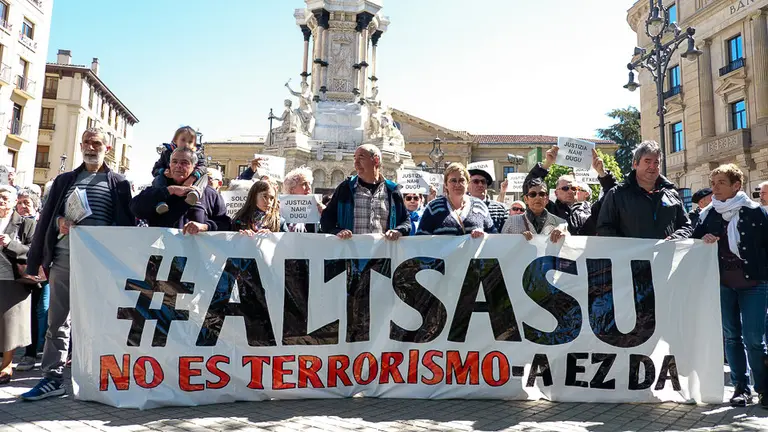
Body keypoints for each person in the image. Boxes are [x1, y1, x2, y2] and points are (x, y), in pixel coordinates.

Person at [22, 127, 135, 401]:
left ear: (106, 148)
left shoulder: (119, 184)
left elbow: (127, 224)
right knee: (57, 320)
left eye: (96, 143)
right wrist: (59, 226)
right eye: (86, 142)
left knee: (102, 321)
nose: (90, 146)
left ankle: (99, 376)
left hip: (101, 264)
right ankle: (52, 377)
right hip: (64, 256)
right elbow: (48, 219)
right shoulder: (64, 181)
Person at [692, 164, 768, 408]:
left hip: (755, 283)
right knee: (732, 337)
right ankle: (740, 388)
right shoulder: (707, 215)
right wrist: (702, 239)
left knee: (754, 338)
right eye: (713, 183)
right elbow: (692, 240)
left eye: (721, 183)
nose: (714, 188)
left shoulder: (757, 212)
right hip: (723, 284)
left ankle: (764, 388)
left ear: (737, 186)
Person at [596, 140, 692, 240]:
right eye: (647, 161)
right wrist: (629, 246)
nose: (653, 166)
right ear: (635, 164)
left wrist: (675, 237)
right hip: (631, 255)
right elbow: (604, 228)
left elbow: (687, 226)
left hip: (665, 255)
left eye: (656, 162)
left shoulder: (672, 194)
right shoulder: (617, 194)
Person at [320, 144, 410, 239]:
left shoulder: (392, 191)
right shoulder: (345, 188)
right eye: (355, 159)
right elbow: (326, 220)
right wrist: (337, 231)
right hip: (351, 252)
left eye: (361, 158)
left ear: (376, 160)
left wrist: (398, 231)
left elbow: (406, 222)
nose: (356, 163)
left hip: (383, 252)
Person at [132, 147, 230, 234]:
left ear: (194, 167)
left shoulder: (209, 194)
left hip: (195, 254)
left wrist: (205, 227)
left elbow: (226, 224)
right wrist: (170, 190)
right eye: (174, 162)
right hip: (162, 253)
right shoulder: (158, 188)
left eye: (184, 163)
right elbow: (135, 209)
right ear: (169, 165)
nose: (178, 166)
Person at [526, 147, 617, 236]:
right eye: (565, 188)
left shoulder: (590, 210)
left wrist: (602, 173)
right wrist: (546, 164)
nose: (570, 191)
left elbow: (613, 196)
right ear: (556, 193)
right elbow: (530, 186)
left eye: (573, 188)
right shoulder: (549, 210)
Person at [0, 185, 36, 384]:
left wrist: (9, 244)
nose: (1, 201)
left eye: (5, 198)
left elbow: (32, 251)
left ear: (14, 202)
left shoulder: (26, 224)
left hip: (13, 279)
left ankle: (7, 365)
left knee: (10, 323)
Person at [14, 189, 49, 372]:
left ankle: (30, 354)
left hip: (35, 276)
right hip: (14, 275)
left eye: (26, 203)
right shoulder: (12, 222)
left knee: (35, 313)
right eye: (19, 202)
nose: (22, 206)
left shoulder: (38, 223)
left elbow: (33, 249)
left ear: (35, 205)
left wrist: (11, 245)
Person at [416, 163, 495, 237]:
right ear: (446, 185)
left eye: (461, 180)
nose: (457, 184)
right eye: (453, 180)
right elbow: (421, 238)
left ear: (467, 183)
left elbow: (493, 235)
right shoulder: (433, 207)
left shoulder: (480, 206)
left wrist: (484, 235)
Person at [151, 126, 207, 214]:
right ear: (175, 140)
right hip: (169, 181)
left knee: (205, 176)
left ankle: (194, 194)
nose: (186, 144)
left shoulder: (198, 155)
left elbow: (203, 167)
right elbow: (155, 170)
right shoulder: (167, 153)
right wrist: (163, 172)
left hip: (191, 182)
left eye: (190, 142)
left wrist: (193, 177)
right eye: (183, 140)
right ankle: (160, 201)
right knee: (158, 179)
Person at [501, 177, 567, 243]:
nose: (538, 197)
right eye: (533, 194)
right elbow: (501, 245)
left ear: (547, 199)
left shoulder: (560, 223)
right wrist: (518, 240)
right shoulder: (512, 222)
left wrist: (564, 236)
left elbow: (568, 248)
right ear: (526, 199)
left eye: (542, 194)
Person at [281, 166, 324, 233]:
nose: (309, 188)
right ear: (292, 189)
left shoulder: (316, 209)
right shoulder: (281, 210)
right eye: (304, 184)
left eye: (309, 184)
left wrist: (322, 209)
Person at [467, 167, 507, 233]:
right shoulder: (461, 208)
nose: (480, 184)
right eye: (476, 181)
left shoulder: (501, 209)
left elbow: (508, 233)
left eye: (483, 182)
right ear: (467, 185)